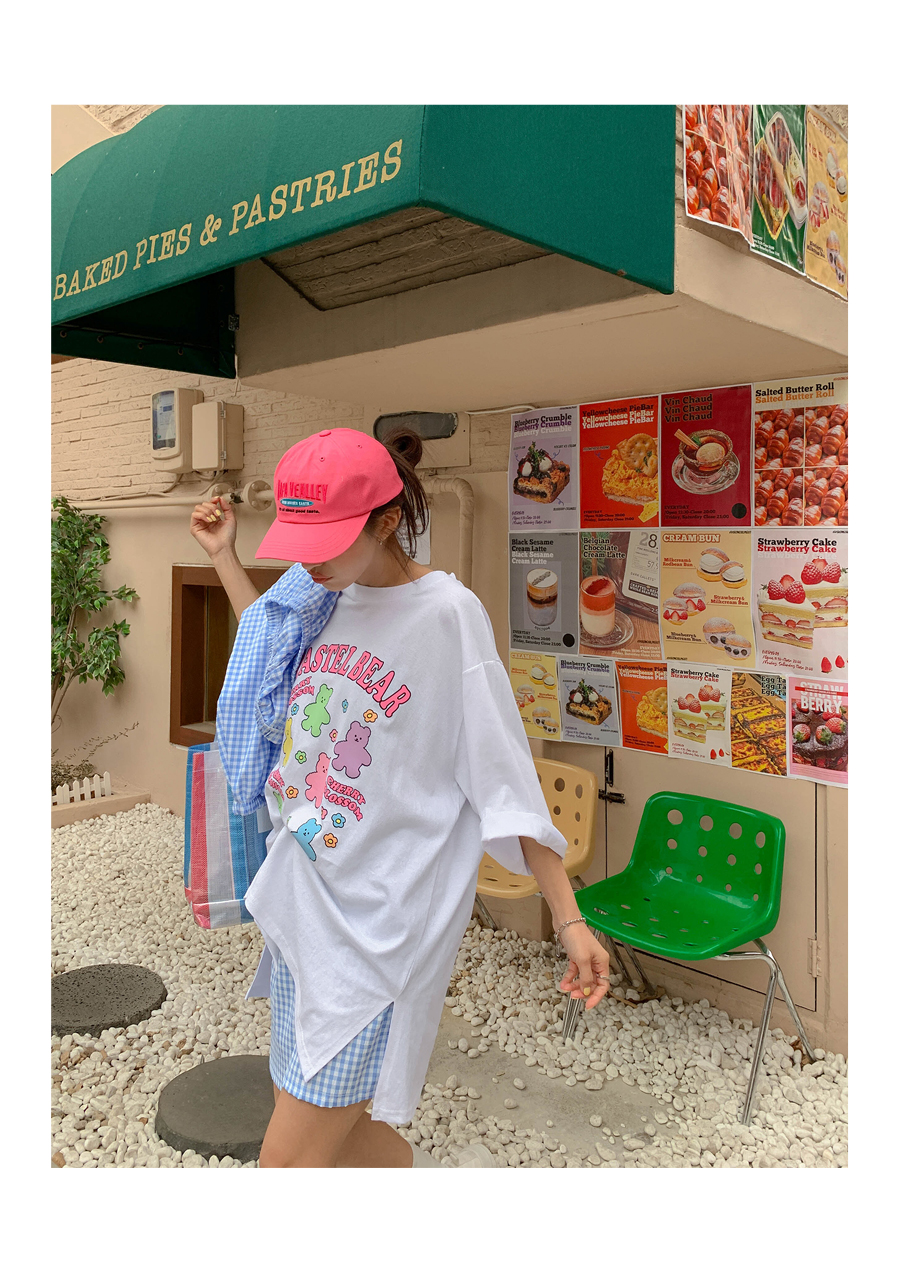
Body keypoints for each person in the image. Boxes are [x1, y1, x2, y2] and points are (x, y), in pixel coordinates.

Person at [189, 426, 610, 1169]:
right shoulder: (323, 597)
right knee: (334, 1131)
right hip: (303, 909)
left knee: (285, 1164)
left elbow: (503, 776)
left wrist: (568, 918)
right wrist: (224, 556)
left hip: (378, 937)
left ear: (386, 522)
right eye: (300, 541)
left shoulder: (447, 616)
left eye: (324, 541)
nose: (307, 560)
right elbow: (264, 645)